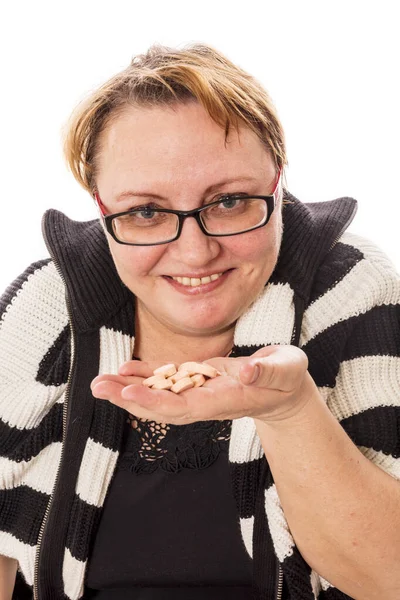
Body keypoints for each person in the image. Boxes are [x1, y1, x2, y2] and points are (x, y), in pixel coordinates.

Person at [0, 43, 399, 600]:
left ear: (278, 184)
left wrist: (287, 410)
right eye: (145, 212)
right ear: (101, 207)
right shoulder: (42, 309)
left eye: (231, 202)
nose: (195, 253)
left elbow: (389, 577)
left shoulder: (350, 288)